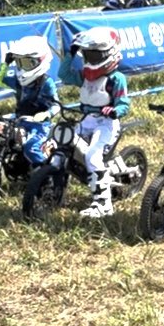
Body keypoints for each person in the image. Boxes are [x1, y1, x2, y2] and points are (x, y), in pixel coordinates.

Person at [59, 28, 130, 218]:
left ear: (109, 53)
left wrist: (115, 110)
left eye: (95, 55)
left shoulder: (116, 78)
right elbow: (63, 75)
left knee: (93, 157)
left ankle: (103, 204)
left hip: (106, 123)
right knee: (61, 142)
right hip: (87, 120)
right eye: (88, 54)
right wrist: (71, 53)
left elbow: (124, 104)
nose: (91, 59)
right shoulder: (84, 75)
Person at [0, 35, 59, 167]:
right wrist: (6, 63)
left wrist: (46, 114)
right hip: (20, 121)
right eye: (19, 63)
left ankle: (45, 175)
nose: (22, 68)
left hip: (40, 126)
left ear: (39, 61)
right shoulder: (19, 82)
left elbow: (56, 105)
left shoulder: (46, 83)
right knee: (1, 138)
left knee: (31, 148)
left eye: (26, 63)